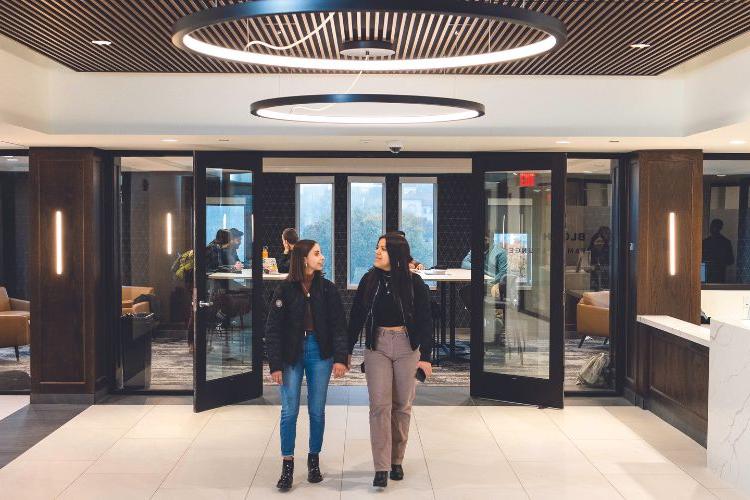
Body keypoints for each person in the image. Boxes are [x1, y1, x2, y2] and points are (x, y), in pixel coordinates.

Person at [348, 232, 433, 488]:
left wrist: (426, 358)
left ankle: (397, 460)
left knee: (402, 405)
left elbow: (425, 320)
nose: (377, 252)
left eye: (382, 249)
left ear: (395, 255)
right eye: (377, 247)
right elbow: (356, 317)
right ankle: (381, 467)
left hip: (408, 346)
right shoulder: (369, 280)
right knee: (379, 406)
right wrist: (346, 350)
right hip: (378, 347)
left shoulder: (415, 284)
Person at [265, 239, 349, 492]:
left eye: (321, 253)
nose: (322, 257)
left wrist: (340, 358)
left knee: (316, 410)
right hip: (291, 354)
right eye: (317, 253)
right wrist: (275, 365)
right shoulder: (284, 290)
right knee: (289, 410)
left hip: (319, 352)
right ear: (303, 259)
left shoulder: (328, 289)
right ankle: (287, 465)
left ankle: (314, 460)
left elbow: (339, 326)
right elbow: (273, 329)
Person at [702, 219, 734, 283]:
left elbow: (731, 260)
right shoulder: (726, 242)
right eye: (712, 226)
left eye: (713, 226)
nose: (711, 228)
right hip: (715, 274)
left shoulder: (705, 242)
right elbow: (730, 260)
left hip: (715, 274)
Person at [587, 226, 611, 290]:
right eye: (597, 241)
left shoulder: (608, 252)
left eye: (601, 241)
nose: (599, 244)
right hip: (592, 283)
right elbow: (586, 267)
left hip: (605, 283)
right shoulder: (590, 252)